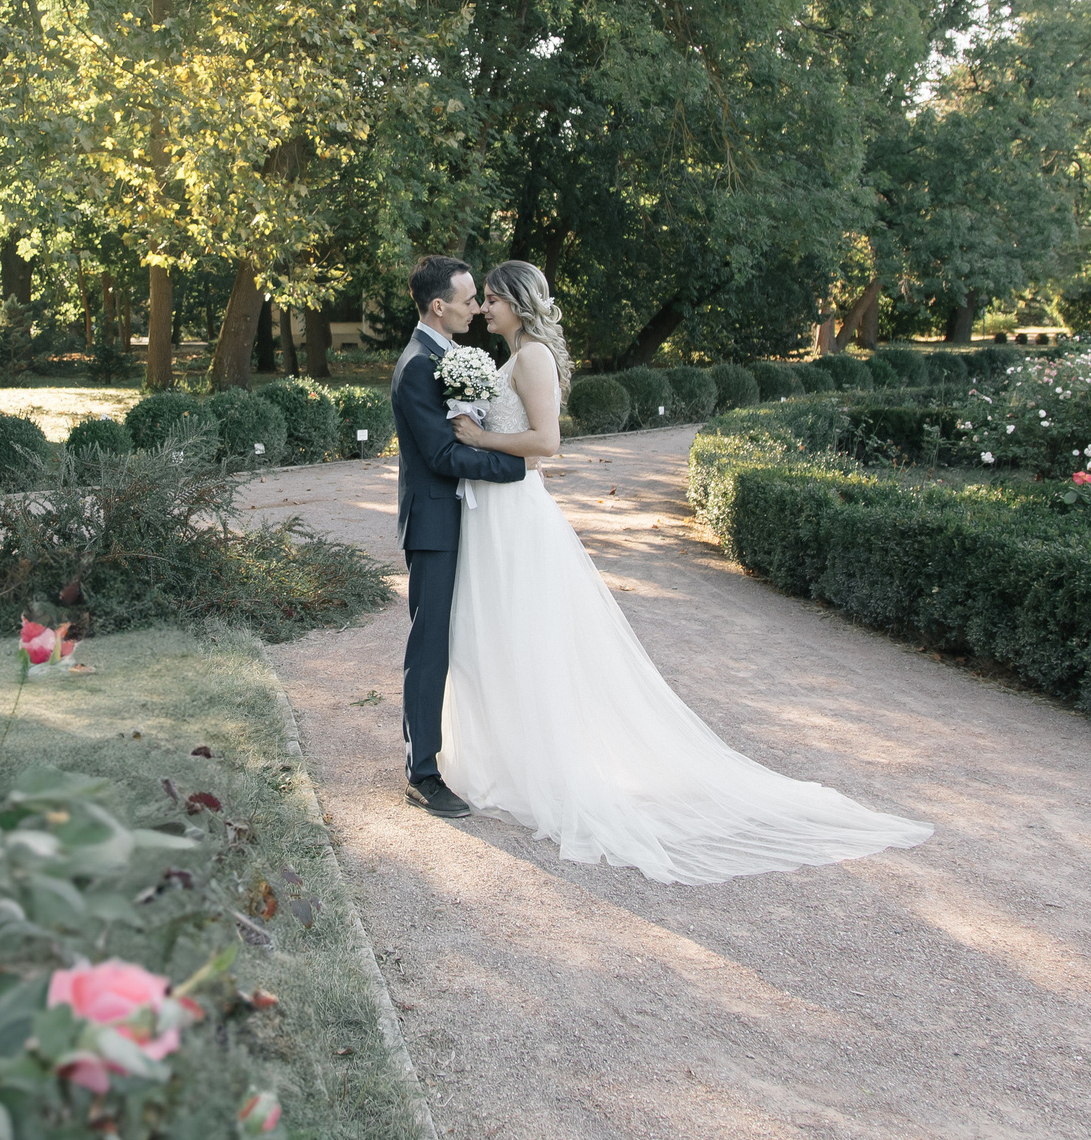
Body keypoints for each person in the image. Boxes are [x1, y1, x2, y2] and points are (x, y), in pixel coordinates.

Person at [439, 259, 934, 883]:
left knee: (532, 640)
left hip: (518, 516)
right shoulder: (513, 355)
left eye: (490, 299)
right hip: (494, 516)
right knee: (501, 636)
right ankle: (508, 760)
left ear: (516, 302)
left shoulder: (532, 356)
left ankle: (545, 769)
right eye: (480, 299)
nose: (483, 308)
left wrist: (478, 440)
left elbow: (548, 444)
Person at [389, 256, 527, 818]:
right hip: (435, 524)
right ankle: (422, 772)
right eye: (470, 299)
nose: (477, 306)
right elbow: (444, 454)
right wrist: (518, 466)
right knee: (431, 646)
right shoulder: (418, 365)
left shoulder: (448, 356)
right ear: (439, 306)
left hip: (466, 518)